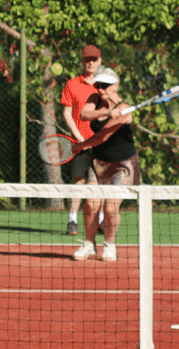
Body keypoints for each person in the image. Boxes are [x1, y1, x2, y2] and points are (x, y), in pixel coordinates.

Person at [70, 68, 141, 263]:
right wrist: (108, 110)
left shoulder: (125, 109)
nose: (101, 89)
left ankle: (110, 245)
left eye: (106, 85)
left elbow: (103, 136)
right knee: (91, 204)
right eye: (98, 85)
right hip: (98, 164)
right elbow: (84, 115)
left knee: (110, 208)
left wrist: (79, 146)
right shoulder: (95, 99)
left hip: (121, 166)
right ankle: (89, 244)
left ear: (116, 86)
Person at [59, 45, 110, 236]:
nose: (90, 63)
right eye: (87, 59)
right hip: (80, 144)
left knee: (101, 183)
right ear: (82, 61)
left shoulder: (105, 85)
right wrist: (80, 138)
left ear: (100, 61)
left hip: (102, 145)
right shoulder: (72, 84)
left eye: (94, 59)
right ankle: (72, 221)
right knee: (78, 182)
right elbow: (67, 113)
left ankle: (101, 222)